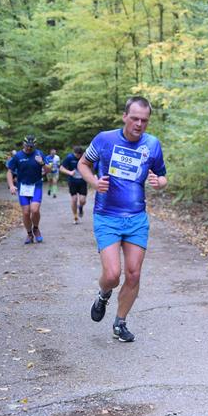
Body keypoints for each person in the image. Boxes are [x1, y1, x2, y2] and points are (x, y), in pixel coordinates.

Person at [77, 96, 167, 342]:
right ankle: (103, 294)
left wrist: (159, 182)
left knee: (134, 274)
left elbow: (162, 176)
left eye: (144, 120)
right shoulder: (104, 139)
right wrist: (94, 182)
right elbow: (83, 164)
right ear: (125, 116)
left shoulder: (152, 144)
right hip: (107, 216)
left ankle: (120, 322)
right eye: (135, 118)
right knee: (112, 275)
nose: (139, 124)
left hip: (136, 218)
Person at [7, 135, 51, 244]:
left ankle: (36, 228)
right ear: (23, 144)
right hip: (23, 187)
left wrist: (42, 163)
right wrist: (11, 185)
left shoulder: (39, 154)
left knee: (35, 210)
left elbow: (48, 170)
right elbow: (9, 171)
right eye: (27, 146)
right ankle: (29, 234)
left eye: (31, 146)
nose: (29, 148)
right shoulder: (17, 156)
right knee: (26, 212)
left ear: (35, 145)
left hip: (36, 185)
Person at [60, 146, 87, 224]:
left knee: (82, 200)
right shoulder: (69, 158)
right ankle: (75, 217)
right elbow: (61, 168)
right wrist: (69, 172)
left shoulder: (84, 158)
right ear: (74, 153)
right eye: (77, 154)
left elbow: (90, 167)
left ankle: (80, 207)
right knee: (74, 199)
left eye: (80, 154)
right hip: (72, 182)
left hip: (82, 182)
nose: (78, 156)